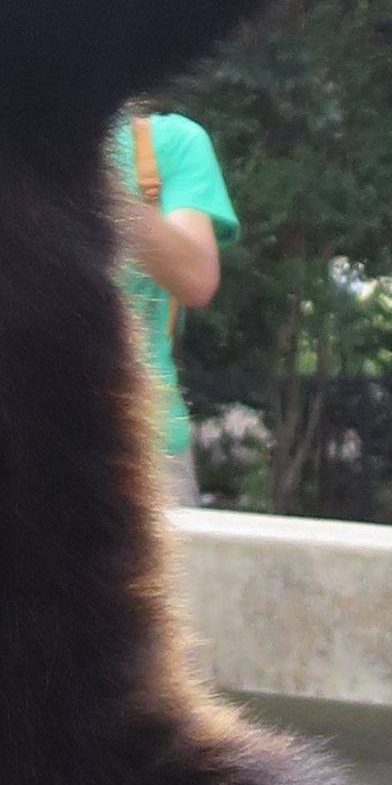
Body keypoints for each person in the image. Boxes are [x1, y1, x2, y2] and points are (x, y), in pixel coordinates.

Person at [113, 109, 237, 505]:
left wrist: (85, 179)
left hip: (143, 449)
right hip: (4, 443)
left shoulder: (168, 142)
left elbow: (197, 276)